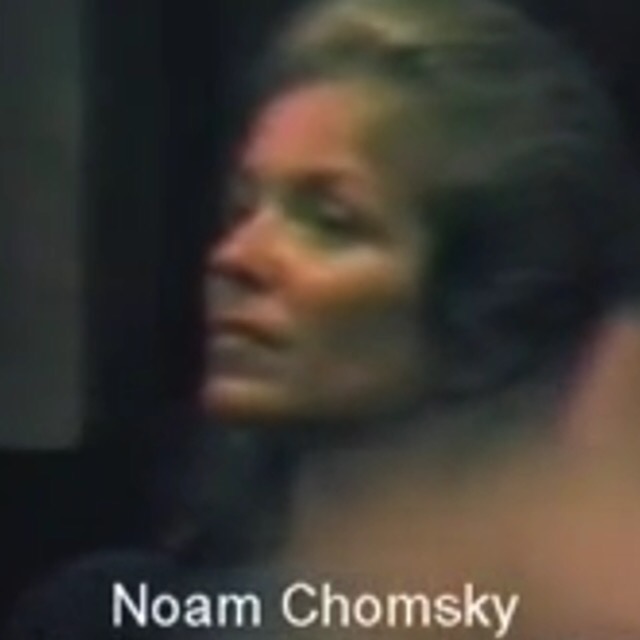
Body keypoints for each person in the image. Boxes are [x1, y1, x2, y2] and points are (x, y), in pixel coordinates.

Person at [6, 0, 640, 637]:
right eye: (243, 209)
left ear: (489, 302)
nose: (235, 257)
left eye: (332, 223)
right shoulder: (112, 617)